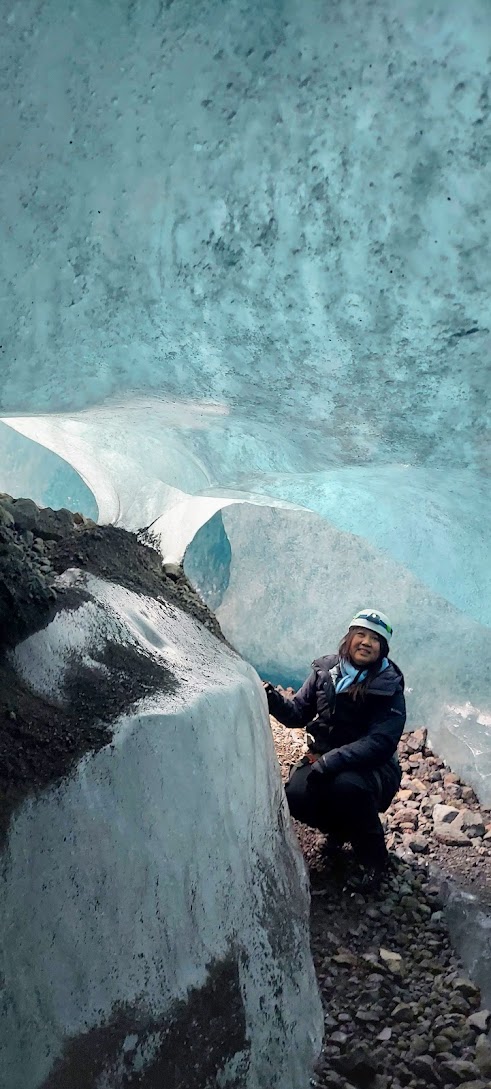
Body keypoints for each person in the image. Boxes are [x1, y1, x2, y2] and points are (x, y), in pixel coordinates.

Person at [264, 609, 405, 886]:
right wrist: (273, 701)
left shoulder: (388, 685)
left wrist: (330, 762)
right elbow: (298, 714)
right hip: (327, 760)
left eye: (374, 639)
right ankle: (339, 831)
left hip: (373, 768)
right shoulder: (326, 671)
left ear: (382, 648)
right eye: (361, 634)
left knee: (346, 787)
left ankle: (375, 861)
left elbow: (381, 742)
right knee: (295, 795)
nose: (366, 642)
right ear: (349, 638)